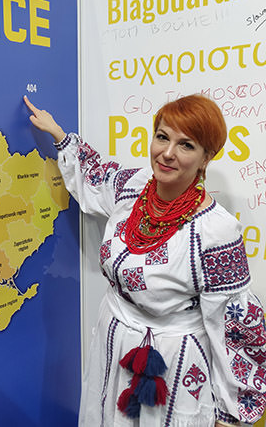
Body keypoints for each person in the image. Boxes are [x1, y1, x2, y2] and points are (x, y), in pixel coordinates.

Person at [24, 94, 266, 427]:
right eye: (163, 137)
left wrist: (231, 415)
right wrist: (60, 137)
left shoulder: (216, 231)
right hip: (114, 342)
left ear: (206, 157)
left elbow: (233, 325)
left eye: (186, 145)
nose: (167, 153)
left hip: (172, 364)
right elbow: (96, 176)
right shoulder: (135, 186)